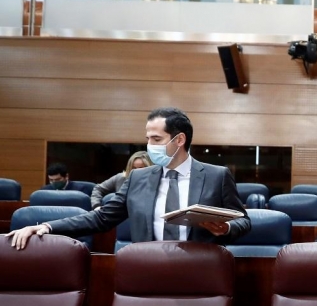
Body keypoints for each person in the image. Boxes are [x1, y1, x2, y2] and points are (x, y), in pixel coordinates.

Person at [7, 107, 251, 250]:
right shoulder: (138, 178)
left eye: (156, 139)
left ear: (179, 140)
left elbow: (244, 221)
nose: (149, 145)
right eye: (148, 138)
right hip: (147, 267)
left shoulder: (216, 175)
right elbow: (102, 218)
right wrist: (46, 227)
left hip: (202, 270)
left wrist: (226, 227)